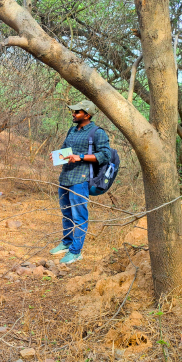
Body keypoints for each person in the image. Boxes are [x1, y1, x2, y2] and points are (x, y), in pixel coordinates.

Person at [49, 100, 110, 264]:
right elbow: (65, 150)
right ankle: (66, 243)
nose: (73, 114)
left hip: (81, 180)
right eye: (73, 112)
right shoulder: (73, 130)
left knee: (79, 217)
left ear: (87, 115)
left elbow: (105, 155)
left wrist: (81, 157)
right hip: (65, 178)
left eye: (77, 112)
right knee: (66, 213)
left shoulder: (97, 132)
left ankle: (76, 252)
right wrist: (58, 156)